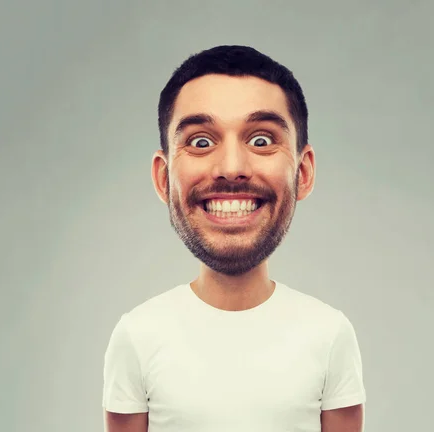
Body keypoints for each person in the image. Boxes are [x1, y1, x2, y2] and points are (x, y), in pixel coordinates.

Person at [102, 45, 366, 432]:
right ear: (163, 178)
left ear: (304, 172)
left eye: (261, 140)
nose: (231, 168)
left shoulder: (330, 334)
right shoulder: (136, 336)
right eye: (201, 142)